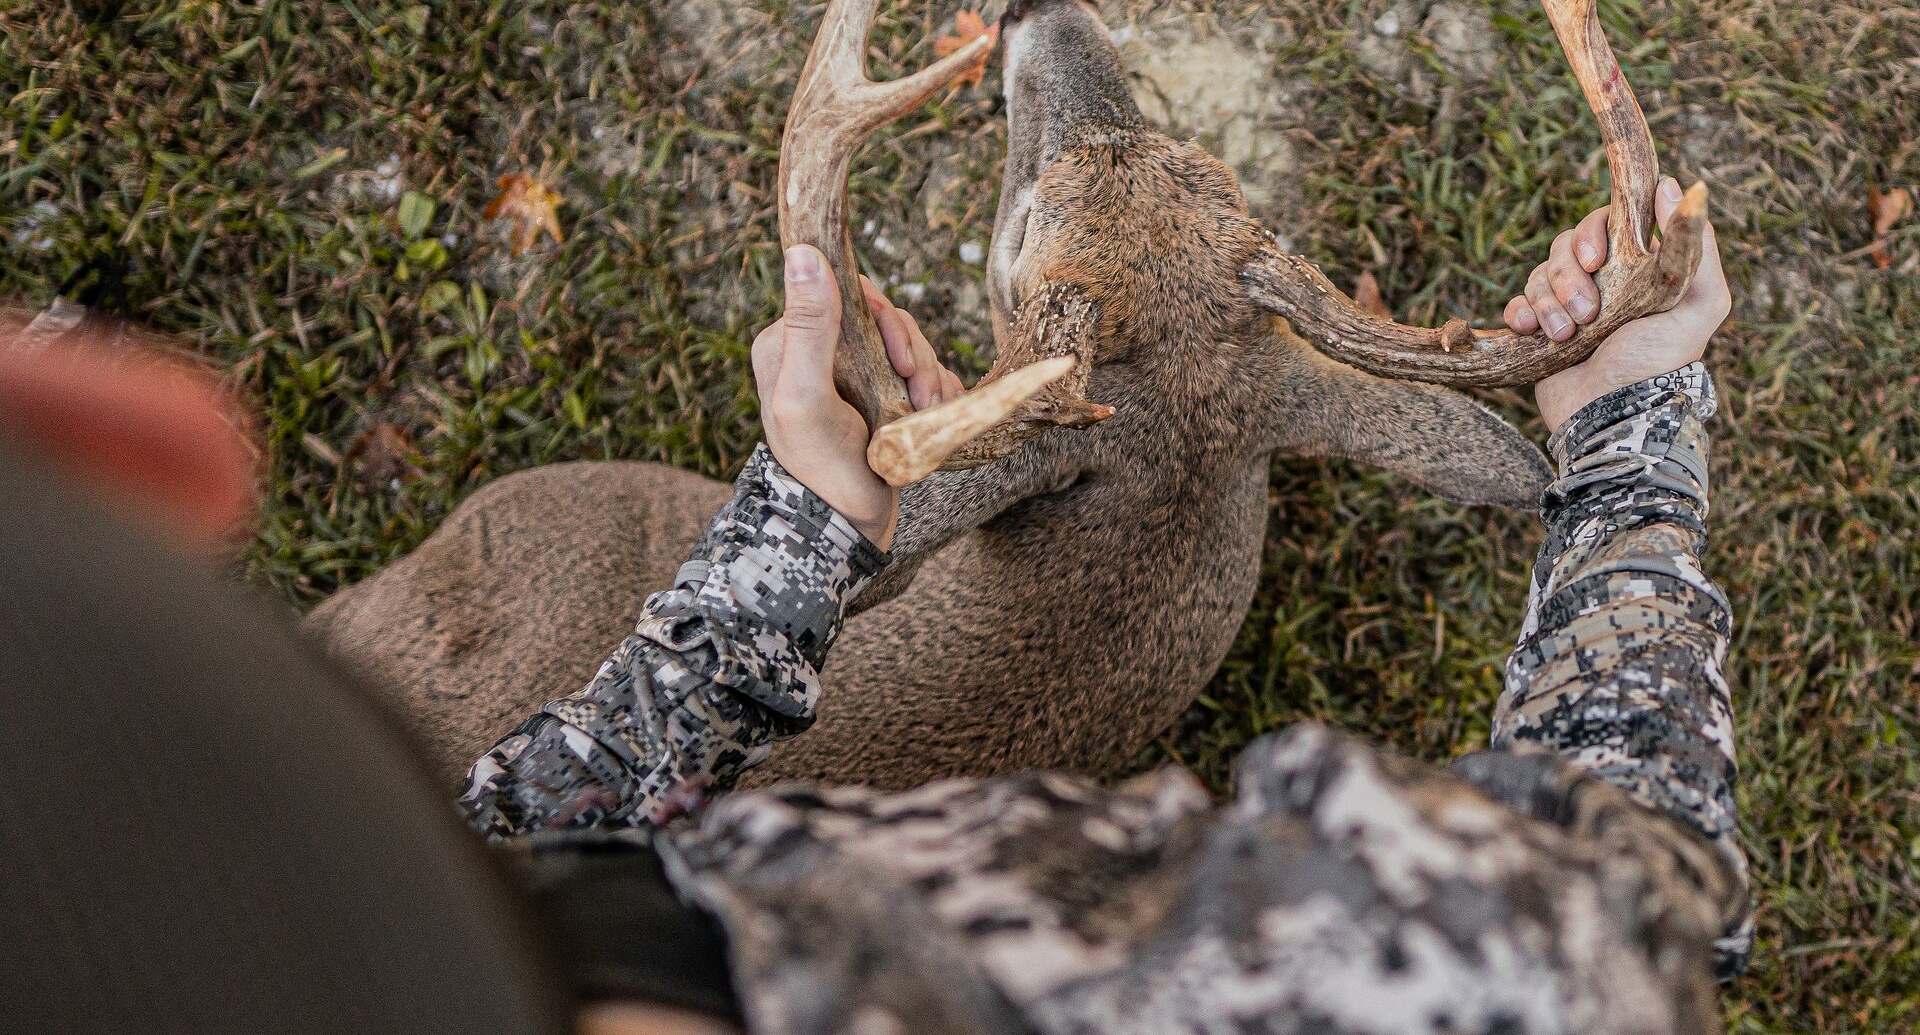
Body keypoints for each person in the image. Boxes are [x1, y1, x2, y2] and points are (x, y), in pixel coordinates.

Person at [1, 179, 1744, 1035]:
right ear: (145, 451)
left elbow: (562, 802)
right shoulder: (1420, 969)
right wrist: (1625, 431)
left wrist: (808, 531)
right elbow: (1630, 869)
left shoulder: (426, 875)